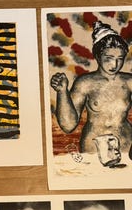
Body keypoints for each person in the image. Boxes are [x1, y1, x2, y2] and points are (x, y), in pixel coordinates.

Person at [50, 20, 132, 157]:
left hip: (126, 147)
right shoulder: (85, 82)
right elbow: (68, 126)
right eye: (109, 58)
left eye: (120, 58)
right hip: (94, 148)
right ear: (98, 56)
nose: (115, 64)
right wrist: (62, 92)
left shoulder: (129, 81)